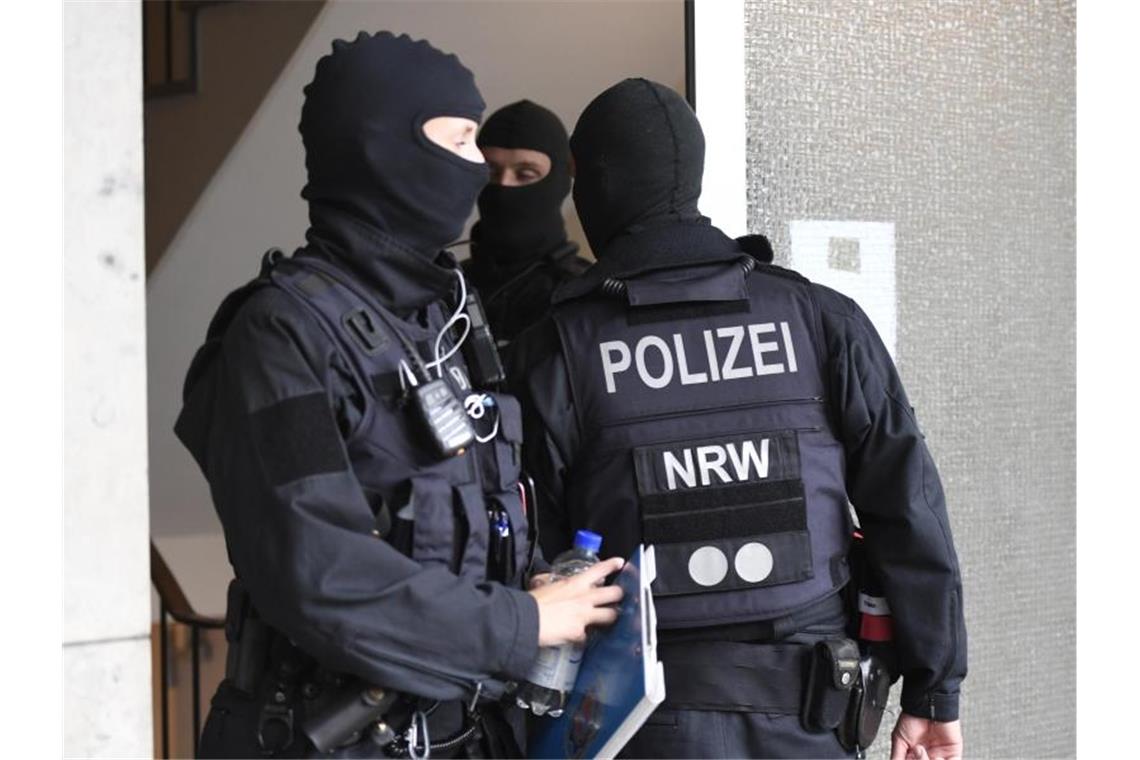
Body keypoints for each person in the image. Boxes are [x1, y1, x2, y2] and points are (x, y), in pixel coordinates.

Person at [174, 32, 623, 759]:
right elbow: (318, 572)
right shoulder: (281, 335)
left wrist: (533, 579)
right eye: (462, 140)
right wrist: (521, 622)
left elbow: (462, 506)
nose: (480, 171)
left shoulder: (438, 319)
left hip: (457, 731)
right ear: (384, 151)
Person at [509, 78, 967, 760]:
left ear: (598, 185)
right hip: (811, 721)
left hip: (637, 727)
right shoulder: (819, 320)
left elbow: (528, 550)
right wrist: (935, 693)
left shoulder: (555, 348)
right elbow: (908, 507)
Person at [462, 100, 591, 349]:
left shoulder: (582, 296)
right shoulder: (448, 289)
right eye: (491, 171)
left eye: (525, 175)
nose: (504, 186)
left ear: (559, 181)